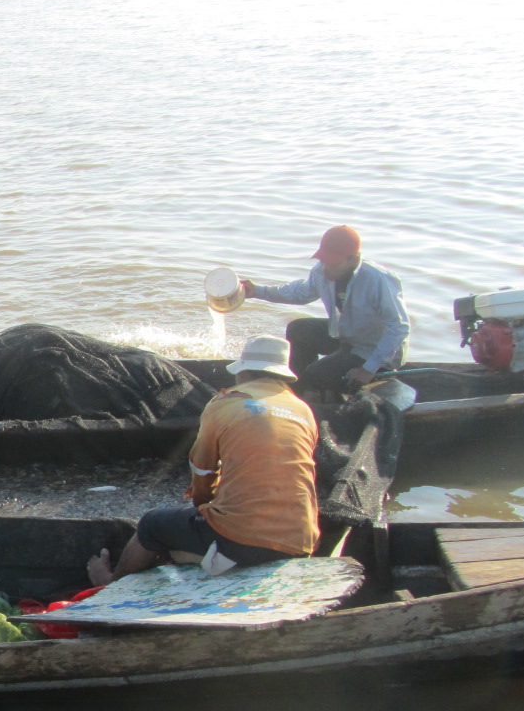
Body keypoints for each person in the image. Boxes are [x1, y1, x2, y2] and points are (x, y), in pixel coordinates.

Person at [87, 335, 319, 587]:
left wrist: (202, 505)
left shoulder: (225, 403)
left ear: (242, 373)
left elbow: (203, 468)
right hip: (301, 540)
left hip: (242, 539)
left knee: (152, 524)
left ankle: (110, 582)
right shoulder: (303, 410)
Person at [239, 225, 409, 398]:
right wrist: (256, 291)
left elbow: (399, 327)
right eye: (323, 260)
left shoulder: (379, 280)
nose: (325, 268)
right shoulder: (321, 271)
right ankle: (298, 390)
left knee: (317, 374)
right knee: (298, 329)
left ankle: (315, 391)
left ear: (353, 259)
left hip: (374, 349)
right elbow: (300, 293)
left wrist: (368, 369)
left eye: (332, 263)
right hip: (347, 336)